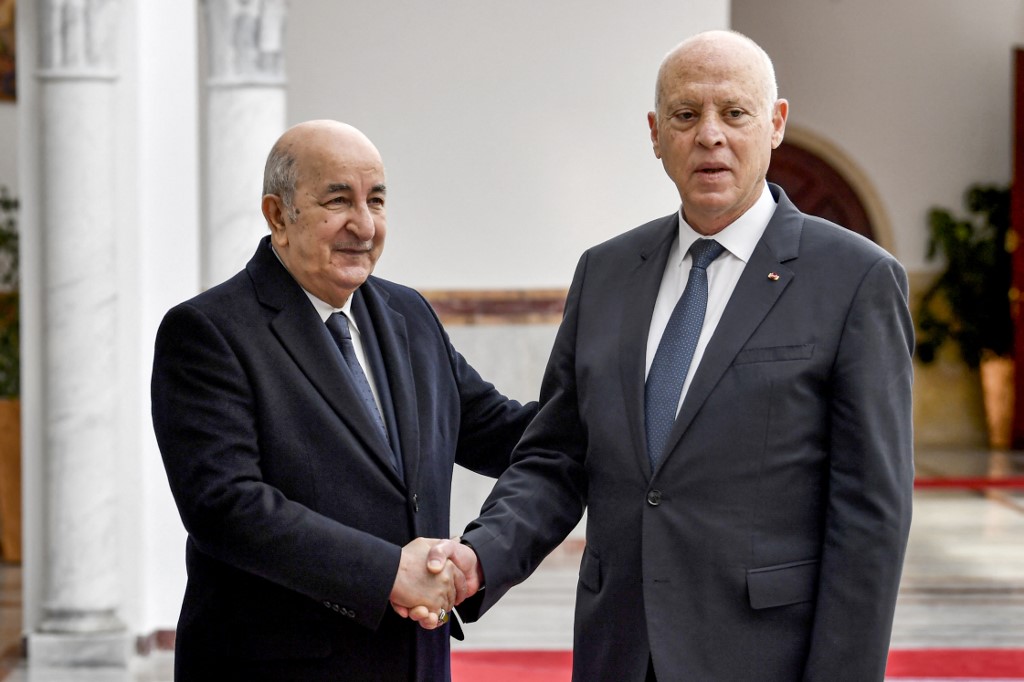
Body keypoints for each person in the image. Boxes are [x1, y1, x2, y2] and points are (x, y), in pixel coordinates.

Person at [426, 29, 914, 681]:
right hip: (619, 651)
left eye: (734, 112)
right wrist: (480, 558)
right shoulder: (605, 273)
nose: (709, 135)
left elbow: (871, 515)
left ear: (775, 124)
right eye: (686, 115)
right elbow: (557, 455)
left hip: (763, 658)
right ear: (656, 135)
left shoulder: (855, 279)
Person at [151, 119, 537, 681]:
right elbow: (226, 507)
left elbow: (503, 433)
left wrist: (618, 414)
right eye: (338, 201)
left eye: (376, 200)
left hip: (414, 662)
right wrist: (388, 573)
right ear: (278, 215)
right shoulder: (208, 331)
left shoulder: (410, 316)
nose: (364, 224)